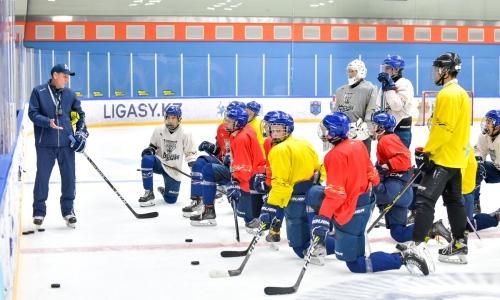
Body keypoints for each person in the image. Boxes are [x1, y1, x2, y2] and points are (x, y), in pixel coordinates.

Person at [305, 112, 431, 275]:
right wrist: (377, 187)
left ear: (334, 133)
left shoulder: (333, 156)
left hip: (350, 210)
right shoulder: (358, 145)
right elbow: (371, 172)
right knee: (350, 241)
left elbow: (336, 193)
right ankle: (321, 245)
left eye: (326, 129)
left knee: (356, 264)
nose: (323, 132)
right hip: (366, 203)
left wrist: (323, 218)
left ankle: (404, 258)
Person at [411, 52, 471, 265]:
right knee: (454, 202)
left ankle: (417, 248)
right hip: (456, 158)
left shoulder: (448, 95)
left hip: (443, 158)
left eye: (438, 69)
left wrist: (428, 151)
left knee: (425, 201)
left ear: (446, 71)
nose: (435, 73)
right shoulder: (461, 93)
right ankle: (459, 244)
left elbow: (444, 129)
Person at [370, 112, 451, 243]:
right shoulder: (389, 139)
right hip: (401, 189)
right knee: (399, 234)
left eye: (374, 125)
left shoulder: (386, 140)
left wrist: (384, 166)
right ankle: (432, 228)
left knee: (367, 195)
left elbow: (404, 158)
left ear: (382, 128)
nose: (372, 128)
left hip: (395, 188)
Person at [28, 64, 88, 229]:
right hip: (45, 144)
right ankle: (39, 211)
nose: (67, 80)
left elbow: (80, 115)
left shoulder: (70, 94)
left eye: (68, 77)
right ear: (55, 75)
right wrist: (47, 122)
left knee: (69, 178)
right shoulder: (38, 92)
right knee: (42, 178)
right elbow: (32, 114)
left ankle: (68, 211)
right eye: (64, 76)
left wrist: (81, 134)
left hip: (66, 144)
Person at [258, 111, 324, 259]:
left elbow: (281, 184)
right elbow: (320, 169)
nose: (274, 133)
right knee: (311, 232)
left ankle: (324, 249)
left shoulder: (278, 150)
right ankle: (335, 245)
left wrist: (270, 207)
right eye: (272, 129)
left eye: (278, 130)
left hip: (294, 199)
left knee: (299, 248)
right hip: (312, 195)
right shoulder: (304, 142)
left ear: (287, 129)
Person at [190, 106, 266, 229]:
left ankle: (252, 220)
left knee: (244, 210)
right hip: (249, 174)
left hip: (250, 179)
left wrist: (234, 183)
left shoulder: (241, 138)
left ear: (238, 122)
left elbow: (244, 168)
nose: (226, 122)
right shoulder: (240, 131)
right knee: (208, 170)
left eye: (230, 121)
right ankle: (209, 211)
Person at [183, 101, 244, 217]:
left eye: (231, 116)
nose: (227, 118)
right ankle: (198, 200)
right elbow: (221, 151)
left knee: (243, 212)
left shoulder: (244, 134)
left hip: (238, 170)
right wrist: (213, 149)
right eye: (228, 115)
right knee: (199, 163)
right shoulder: (222, 128)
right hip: (224, 164)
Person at [138, 106, 197, 207]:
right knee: (147, 159)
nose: (170, 120)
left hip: (174, 170)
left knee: (171, 200)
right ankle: (149, 192)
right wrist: (150, 151)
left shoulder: (186, 134)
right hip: (160, 163)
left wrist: (195, 170)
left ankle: (165, 191)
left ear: (179, 119)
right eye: (168, 117)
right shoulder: (158, 130)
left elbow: (190, 154)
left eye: (173, 118)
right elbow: (153, 147)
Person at [332, 59, 378, 154]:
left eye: (352, 71)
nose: (349, 73)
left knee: (362, 163)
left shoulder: (370, 89)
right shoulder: (340, 90)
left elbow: (371, 111)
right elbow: (336, 112)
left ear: (361, 71)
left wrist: (368, 129)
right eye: (348, 71)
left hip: (361, 134)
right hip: (342, 134)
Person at [377, 55, 415, 148]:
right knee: (384, 160)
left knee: (398, 160)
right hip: (386, 129)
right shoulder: (384, 85)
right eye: (384, 68)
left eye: (388, 68)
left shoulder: (405, 84)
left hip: (400, 130)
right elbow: (379, 105)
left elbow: (396, 106)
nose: (385, 71)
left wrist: (390, 88)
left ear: (397, 69)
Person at [473, 109, 500, 213]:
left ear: (497, 125)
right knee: (475, 167)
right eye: (486, 121)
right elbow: (479, 152)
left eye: (489, 122)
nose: (486, 124)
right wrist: (478, 161)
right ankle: (474, 203)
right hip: (497, 169)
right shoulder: (484, 136)